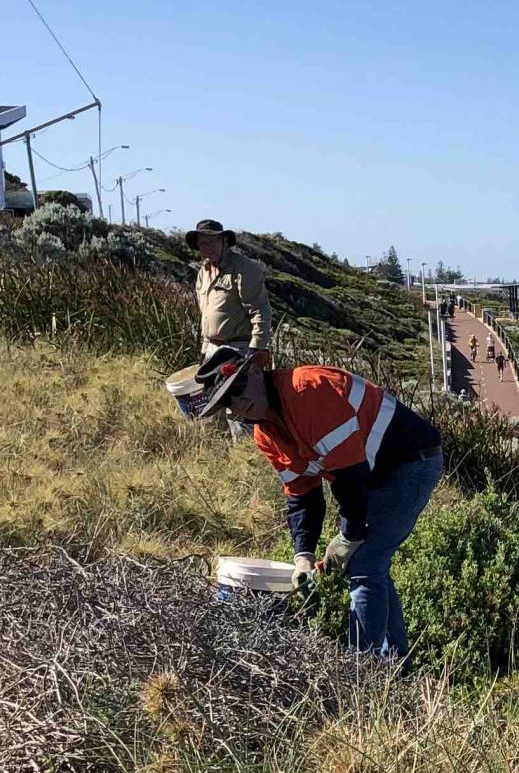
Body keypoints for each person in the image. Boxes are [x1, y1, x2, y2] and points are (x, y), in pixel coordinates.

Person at [166, 346, 444, 660]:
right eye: (227, 402)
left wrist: (348, 537)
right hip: (375, 473)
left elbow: (350, 475)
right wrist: (303, 555)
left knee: (365, 563)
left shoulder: (307, 391)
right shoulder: (266, 433)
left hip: (410, 462)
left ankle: (362, 671)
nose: (237, 404)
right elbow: (302, 495)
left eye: (238, 389)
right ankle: (395, 660)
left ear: (255, 372)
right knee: (368, 562)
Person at [188, 219, 274, 363]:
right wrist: (204, 350)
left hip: (238, 350)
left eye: (212, 241)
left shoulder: (244, 268)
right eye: (203, 242)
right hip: (211, 350)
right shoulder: (203, 272)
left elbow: (260, 309)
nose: (208, 247)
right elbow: (206, 315)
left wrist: (256, 348)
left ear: (224, 241)